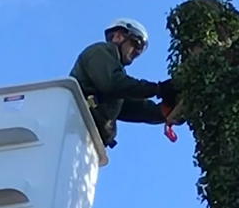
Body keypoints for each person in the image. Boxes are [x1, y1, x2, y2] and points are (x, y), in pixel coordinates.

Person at [69, 18, 182, 149]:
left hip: (87, 142)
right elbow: (114, 83)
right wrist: (158, 89)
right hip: (73, 128)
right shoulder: (100, 51)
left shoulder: (114, 91)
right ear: (117, 36)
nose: (137, 52)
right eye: (136, 43)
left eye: (140, 50)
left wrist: (166, 110)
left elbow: (137, 108)